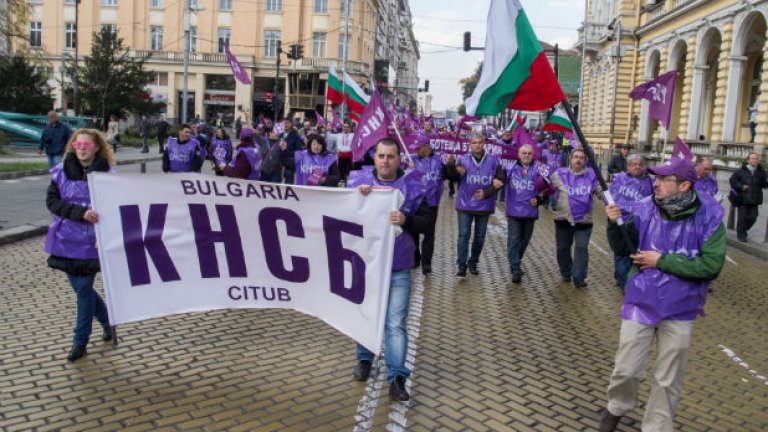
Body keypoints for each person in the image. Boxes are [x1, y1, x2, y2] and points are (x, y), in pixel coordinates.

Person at [598, 157, 726, 432]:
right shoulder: (644, 209)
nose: (654, 183)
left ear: (684, 186)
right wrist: (613, 223)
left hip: (681, 307)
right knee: (626, 369)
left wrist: (662, 261)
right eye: (654, 177)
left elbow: (712, 265)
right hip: (641, 300)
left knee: (669, 378)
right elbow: (623, 248)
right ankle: (617, 406)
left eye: (662, 179)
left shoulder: (710, 215)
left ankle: (657, 426)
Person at [348, 138, 432, 402]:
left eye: (391, 156)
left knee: (395, 324)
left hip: (398, 265)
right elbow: (338, 214)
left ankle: (397, 378)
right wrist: (354, 200)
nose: (385, 161)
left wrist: (406, 220)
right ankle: (364, 359)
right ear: (374, 157)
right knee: (365, 314)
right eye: (381, 156)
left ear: (399, 159)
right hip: (366, 263)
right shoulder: (357, 182)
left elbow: (428, 222)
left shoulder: (413, 184)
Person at [44, 128, 115, 362]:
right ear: (72, 147)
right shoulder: (61, 172)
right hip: (65, 241)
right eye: (78, 145)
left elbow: (115, 208)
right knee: (82, 290)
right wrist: (80, 212)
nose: (82, 148)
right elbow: (53, 202)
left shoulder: (108, 176)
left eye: (86, 145)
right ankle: (108, 322)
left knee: (83, 291)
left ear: (96, 147)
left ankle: (79, 341)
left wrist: (105, 231)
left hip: (91, 243)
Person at [446, 132, 505, 277]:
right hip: (465, 204)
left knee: (479, 237)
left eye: (479, 142)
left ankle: (473, 262)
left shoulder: (494, 161)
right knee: (464, 235)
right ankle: (461, 265)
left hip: (484, 205)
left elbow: (501, 181)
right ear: (470, 144)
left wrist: (487, 192)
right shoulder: (462, 160)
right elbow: (453, 178)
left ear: (484, 143)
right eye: (474, 142)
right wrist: (450, 165)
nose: (477, 145)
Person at [550, 148, 603, 288]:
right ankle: (566, 272)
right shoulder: (559, 174)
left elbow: (601, 193)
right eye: (576, 157)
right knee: (562, 248)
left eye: (581, 157)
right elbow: (545, 184)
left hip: (584, 220)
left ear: (585, 161)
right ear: (571, 159)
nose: (578, 160)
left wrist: (611, 199)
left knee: (581, 247)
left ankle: (579, 278)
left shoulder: (592, 176)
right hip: (563, 218)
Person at [504, 144, 552, 284]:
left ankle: (515, 262)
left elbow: (550, 187)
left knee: (524, 241)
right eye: (524, 153)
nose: (526, 155)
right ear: (519, 155)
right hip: (513, 211)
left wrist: (539, 199)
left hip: (530, 212)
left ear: (533, 155)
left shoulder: (539, 169)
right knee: (513, 240)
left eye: (529, 153)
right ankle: (516, 269)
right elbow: (500, 181)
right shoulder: (510, 168)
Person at [607, 154, 654, 289]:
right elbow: (610, 198)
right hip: (621, 223)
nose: (637, 166)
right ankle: (623, 282)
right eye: (634, 164)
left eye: (640, 164)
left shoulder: (649, 182)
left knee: (635, 253)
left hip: (640, 225)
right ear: (628, 166)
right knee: (621, 253)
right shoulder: (620, 179)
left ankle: (629, 279)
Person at [410, 134, 448, 275]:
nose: (416, 150)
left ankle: (427, 263)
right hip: (415, 202)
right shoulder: (410, 160)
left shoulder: (439, 160)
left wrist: (450, 166)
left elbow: (448, 176)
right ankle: (415, 258)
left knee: (429, 233)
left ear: (426, 147)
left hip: (432, 203)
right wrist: (409, 169)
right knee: (413, 232)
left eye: (418, 148)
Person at [729, 152, 768, 242]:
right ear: (748, 160)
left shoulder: (761, 172)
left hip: (755, 199)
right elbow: (732, 181)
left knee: (753, 217)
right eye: (753, 158)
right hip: (742, 199)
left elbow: (764, 184)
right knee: (742, 218)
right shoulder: (740, 171)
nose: (755, 160)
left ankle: (742, 230)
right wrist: (741, 186)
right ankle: (741, 235)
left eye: (757, 159)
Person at [280, 118, 304, 184]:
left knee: (288, 186)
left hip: (289, 165)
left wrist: (286, 150)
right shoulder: (280, 135)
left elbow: (298, 152)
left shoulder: (296, 136)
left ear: (291, 124)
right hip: (279, 165)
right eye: (284, 123)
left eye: (287, 123)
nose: (285, 124)